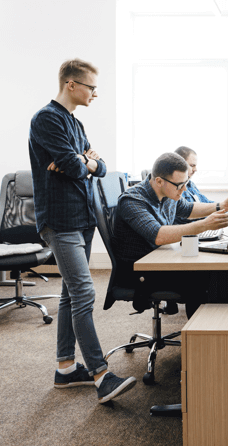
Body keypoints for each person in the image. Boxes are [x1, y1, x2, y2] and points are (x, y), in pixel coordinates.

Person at [28, 58, 136, 404]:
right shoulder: (46, 118)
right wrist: (81, 161)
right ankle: (100, 374)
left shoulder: (74, 122)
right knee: (84, 293)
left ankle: (64, 368)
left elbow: (97, 167)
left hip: (81, 217)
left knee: (69, 295)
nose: (95, 93)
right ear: (71, 85)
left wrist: (84, 162)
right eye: (91, 87)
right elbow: (77, 165)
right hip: (60, 220)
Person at [111, 152, 228, 318]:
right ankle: (200, 338)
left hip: (161, 260)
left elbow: (188, 209)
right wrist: (204, 225)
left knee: (219, 271)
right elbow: (158, 235)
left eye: (186, 183)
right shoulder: (132, 201)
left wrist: (221, 205)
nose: (184, 189)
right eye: (180, 185)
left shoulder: (168, 193)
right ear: (159, 181)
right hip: (141, 272)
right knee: (205, 277)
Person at [173, 146, 212, 225]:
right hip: (187, 233)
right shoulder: (173, 189)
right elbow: (185, 217)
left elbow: (206, 202)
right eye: (192, 165)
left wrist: (227, 208)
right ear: (179, 165)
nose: (195, 170)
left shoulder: (190, 184)